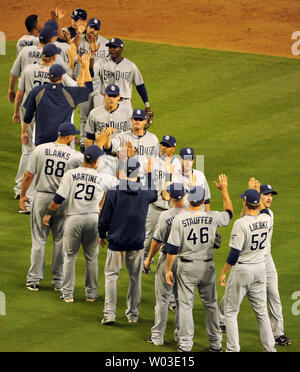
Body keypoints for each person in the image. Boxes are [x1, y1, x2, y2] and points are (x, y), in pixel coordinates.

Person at [166, 175, 234, 352]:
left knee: (186, 306)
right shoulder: (212, 217)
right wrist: (224, 190)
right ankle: (216, 343)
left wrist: (167, 270)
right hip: (207, 267)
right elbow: (230, 213)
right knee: (211, 305)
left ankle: (186, 345)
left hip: (186, 267)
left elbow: (172, 249)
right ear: (203, 200)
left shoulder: (179, 219)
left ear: (189, 200)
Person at [43, 145, 118, 302]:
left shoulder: (71, 174)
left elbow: (58, 199)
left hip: (73, 219)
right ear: (96, 161)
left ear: (84, 158)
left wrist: (49, 213)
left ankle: (67, 294)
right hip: (93, 220)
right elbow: (120, 187)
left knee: (70, 256)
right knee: (91, 256)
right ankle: (91, 294)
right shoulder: (102, 177)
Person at [20, 122, 83, 291]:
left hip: (41, 197)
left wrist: (23, 195)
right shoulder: (75, 155)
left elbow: (28, 175)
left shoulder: (40, 149)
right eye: (74, 136)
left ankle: (33, 279)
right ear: (69, 137)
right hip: (61, 200)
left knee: (39, 239)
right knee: (60, 240)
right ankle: (58, 281)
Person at [12, 43, 78, 203]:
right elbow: (79, 87)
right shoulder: (67, 94)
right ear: (54, 57)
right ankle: (64, 199)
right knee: (63, 167)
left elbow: (27, 114)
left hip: (40, 132)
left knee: (35, 167)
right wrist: (74, 63)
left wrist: (23, 131)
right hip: (61, 136)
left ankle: (27, 199)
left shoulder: (33, 83)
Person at [98, 157, 157, 324]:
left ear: (123, 172)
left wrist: (101, 234)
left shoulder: (114, 191)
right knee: (135, 278)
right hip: (137, 243)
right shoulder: (145, 192)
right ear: (138, 173)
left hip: (117, 242)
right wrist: (151, 173)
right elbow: (155, 193)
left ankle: (109, 314)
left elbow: (104, 217)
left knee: (111, 276)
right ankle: (133, 315)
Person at [218, 188, 276, 352]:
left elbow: (234, 253)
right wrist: (257, 194)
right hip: (260, 269)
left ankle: (233, 349)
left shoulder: (240, 223)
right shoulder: (267, 218)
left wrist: (223, 272)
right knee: (262, 312)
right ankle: (270, 349)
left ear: (244, 202)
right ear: (258, 203)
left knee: (230, 312)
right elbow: (263, 209)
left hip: (243, 270)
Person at [144, 182, 186, 346]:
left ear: (170, 196)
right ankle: (180, 336)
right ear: (183, 195)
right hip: (185, 262)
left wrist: (148, 259)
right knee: (181, 300)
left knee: (162, 299)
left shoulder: (166, 216)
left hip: (167, 260)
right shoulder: (190, 213)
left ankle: (157, 337)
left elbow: (156, 242)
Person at [21, 53, 93, 147]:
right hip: (63, 141)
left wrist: (24, 132)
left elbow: (28, 116)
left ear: (49, 76)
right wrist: (85, 67)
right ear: (61, 77)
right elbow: (89, 89)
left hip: (41, 141)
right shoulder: (70, 93)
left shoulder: (37, 91)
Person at [259, 183, 292, 346]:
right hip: (249, 261)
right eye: (266, 194)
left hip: (266, 258)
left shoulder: (269, 214)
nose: (270, 198)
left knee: (273, 294)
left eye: (271, 195)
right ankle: (222, 318)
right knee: (237, 294)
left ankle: (278, 333)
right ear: (258, 196)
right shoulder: (249, 214)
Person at [143, 135, 181, 263]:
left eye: (167, 146)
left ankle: (164, 263)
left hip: (172, 209)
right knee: (149, 237)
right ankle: (144, 261)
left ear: (173, 148)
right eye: (162, 145)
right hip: (155, 207)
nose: (164, 148)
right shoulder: (152, 162)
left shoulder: (178, 164)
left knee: (171, 239)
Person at [93, 38, 153, 118]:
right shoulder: (101, 64)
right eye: (110, 47)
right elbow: (91, 75)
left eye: (114, 47)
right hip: (107, 102)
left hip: (125, 103)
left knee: (126, 129)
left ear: (121, 49)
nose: (111, 50)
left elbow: (140, 85)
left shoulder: (131, 66)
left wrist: (147, 105)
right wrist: (92, 54)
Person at [104, 109, 160, 180]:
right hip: (126, 178)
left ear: (145, 121)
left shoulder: (153, 139)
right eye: (135, 119)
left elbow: (158, 160)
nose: (137, 121)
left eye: (140, 119)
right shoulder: (122, 136)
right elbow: (108, 148)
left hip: (146, 179)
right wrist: (107, 137)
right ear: (131, 119)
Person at [172, 147, 211, 211]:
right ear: (180, 159)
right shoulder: (174, 177)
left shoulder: (200, 175)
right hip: (181, 216)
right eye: (185, 159)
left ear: (193, 160)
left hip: (199, 216)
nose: (188, 162)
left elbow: (206, 200)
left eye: (190, 159)